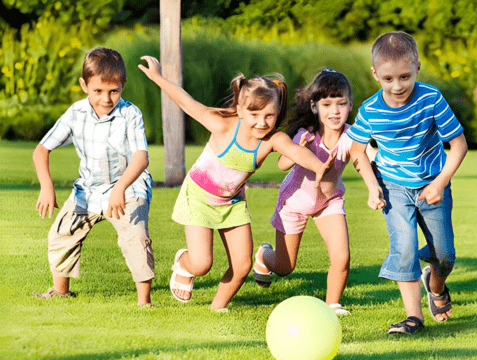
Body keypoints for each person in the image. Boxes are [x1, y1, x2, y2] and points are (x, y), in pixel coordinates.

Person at [139, 56, 335, 311]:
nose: (262, 122)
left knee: (242, 265)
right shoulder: (221, 125)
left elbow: (296, 152)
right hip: (198, 198)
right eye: (254, 114)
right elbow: (186, 103)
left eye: (269, 115)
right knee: (202, 264)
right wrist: (157, 77)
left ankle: (216, 308)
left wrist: (319, 167)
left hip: (231, 204)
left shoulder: (271, 140)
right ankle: (185, 263)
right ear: (241, 110)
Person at [347, 32, 468, 334]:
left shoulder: (431, 98)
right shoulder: (370, 110)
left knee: (444, 254)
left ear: (417, 67)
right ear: (375, 74)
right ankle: (414, 317)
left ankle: (435, 285)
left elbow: (459, 144)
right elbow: (357, 150)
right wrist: (373, 186)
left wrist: (440, 183)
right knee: (404, 247)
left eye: (405, 76)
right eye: (388, 79)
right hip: (394, 188)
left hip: (432, 185)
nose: (397, 85)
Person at [32, 47, 155, 306]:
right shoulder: (75, 113)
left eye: (114, 91)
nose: (106, 99)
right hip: (88, 190)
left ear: (123, 85)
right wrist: (46, 186)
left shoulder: (130, 114)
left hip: (128, 188)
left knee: (135, 237)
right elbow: (41, 150)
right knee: (62, 232)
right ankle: (60, 292)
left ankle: (145, 303)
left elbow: (141, 158)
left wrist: (120, 188)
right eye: (98, 91)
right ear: (84, 85)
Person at [252, 68, 375, 315]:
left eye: (341, 103)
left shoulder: (352, 136)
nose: (335, 111)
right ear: (315, 106)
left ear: (350, 105)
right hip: (295, 203)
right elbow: (282, 164)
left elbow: (366, 157)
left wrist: (376, 183)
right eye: (327, 104)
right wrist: (299, 148)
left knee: (341, 257)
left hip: (329, 202)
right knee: (285, 267)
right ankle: (264, 255)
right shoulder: (305, 134)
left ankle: (333, 304)